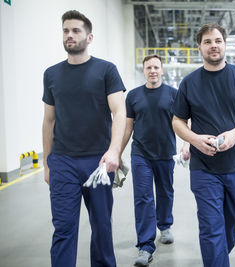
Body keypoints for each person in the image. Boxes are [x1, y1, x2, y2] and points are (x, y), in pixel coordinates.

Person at [172, 23, 235, 267]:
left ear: (224, 44)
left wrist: (234, 134)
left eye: (217, 41)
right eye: (207, 42)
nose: (213, 45)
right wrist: (194, 140)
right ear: (199, 47)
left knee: (231, 223)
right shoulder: (189, 83)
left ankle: (220, 255)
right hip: (204, 168)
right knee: (211, 226)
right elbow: (178, 121)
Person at [42, 10, 126, 267]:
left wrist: (114, 152)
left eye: (76, 30)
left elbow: (119, 111)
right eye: (66, 30)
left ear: (89, 37)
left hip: (98, 162)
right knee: (64, 227)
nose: (70, 35)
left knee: (101, 225)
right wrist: (47, 163)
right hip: (63, 162)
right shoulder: (52, 74)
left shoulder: (106, 70)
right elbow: (49, 120)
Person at [120, 54, 187, 267]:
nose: (153, 71)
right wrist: (117, 152)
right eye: (149, 67)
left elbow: (184, 121)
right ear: (144, 70)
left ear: (162, 70)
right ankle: (145, 245)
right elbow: (128, 126)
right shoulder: (133, 96)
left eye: (156, 67)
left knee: (165, 191)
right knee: (143, 197)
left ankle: (165, 225)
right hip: (140, 154)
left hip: (166, 153)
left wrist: (186, 144)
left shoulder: (173, 94)